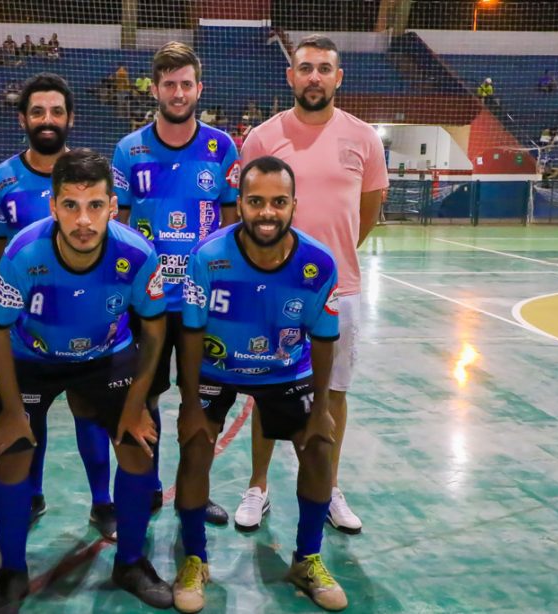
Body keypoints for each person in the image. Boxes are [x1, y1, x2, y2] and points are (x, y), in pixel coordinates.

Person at [0, 148, 171, 611]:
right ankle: (11, 571)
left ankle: (129, 561)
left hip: (106, 356)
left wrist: (136, 403)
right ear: (53, 207)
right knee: (11, 455)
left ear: (113, 205)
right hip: (33, 359)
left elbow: (154, 326)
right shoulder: (24, 252)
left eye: (94, 206)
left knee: (137, 446)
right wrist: (10, 410)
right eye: (70, 205)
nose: (83, 220)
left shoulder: (137, 254)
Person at [176, 155, 347, 612]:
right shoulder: (207, 258)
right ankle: (195, 558)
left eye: (277, 202)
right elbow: (189, 334)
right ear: (240, 202)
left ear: (294, 205)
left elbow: (325, 338)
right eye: (255, 201)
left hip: (285, 370)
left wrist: (321, 410)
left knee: (318, 447)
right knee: (195, 446)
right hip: (218, 368)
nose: (266, 212)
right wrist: (190, 403)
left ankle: (307, 558)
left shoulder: (317, 263)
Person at [239, 34, 388, 535]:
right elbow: (247, 210)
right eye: (306, 68)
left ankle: (326, 486)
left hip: (337, 289)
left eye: (325, 68)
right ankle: (257, 486)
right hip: (270, 288)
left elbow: (368, 209)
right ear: (291, 76)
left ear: (338, 77)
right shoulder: (261, 137)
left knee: (334, 392)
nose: (315, 77)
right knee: (265, 387)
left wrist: (330, 260)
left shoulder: (364, 137)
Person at [0, 74, 117, 540]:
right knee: (28, 418)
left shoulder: (92, 176)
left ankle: (103, 502)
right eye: (37, 112)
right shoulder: (2, 179)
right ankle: (33, 495)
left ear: (70, 118)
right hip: (29, 330)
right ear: (23, 118)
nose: (47, 120)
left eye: (56, 111)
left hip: (93, 323)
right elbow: (0, 243)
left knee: (90, 413)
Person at [112, 41, 240, 525]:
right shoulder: (130, 149)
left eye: (186, 83)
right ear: (156, 89)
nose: (179, 92)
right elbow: (118, 228)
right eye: (170, 84)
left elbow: (231, 228)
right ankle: (146, 486)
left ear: (198, 88)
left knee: (199, 399)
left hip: (200, 302)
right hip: (146, 301)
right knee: (143, 396)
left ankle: (194, 490)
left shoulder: (222, 147)